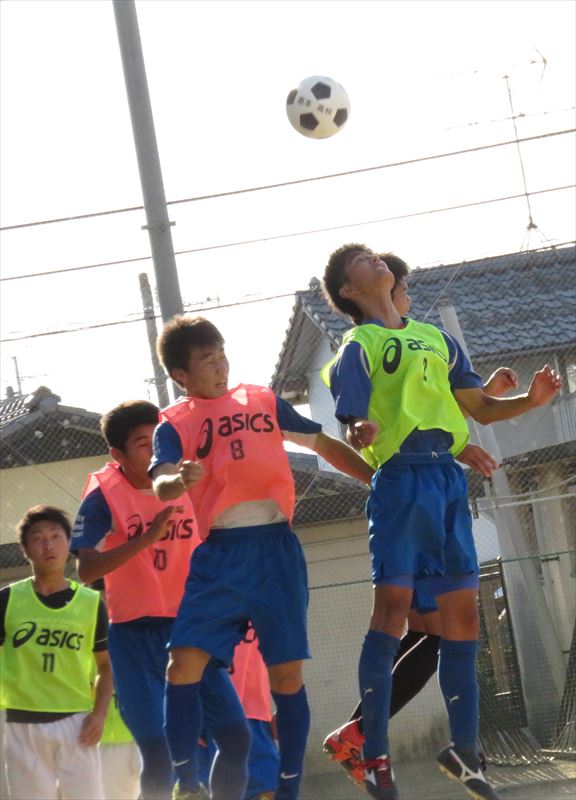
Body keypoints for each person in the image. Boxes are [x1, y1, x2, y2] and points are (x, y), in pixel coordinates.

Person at [321, 244, 562, 800]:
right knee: (392, 615)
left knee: (462, 618)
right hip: (401, 481)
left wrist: (531, 400)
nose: (375, 259)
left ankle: (465, 752)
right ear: (349, 291)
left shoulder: (437, 339)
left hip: (447, 483)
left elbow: (479, 408)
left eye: (376, 255)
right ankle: (374, 754)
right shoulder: (359, 344)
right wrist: (358, 428)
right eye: (361, 260)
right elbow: (351, 413)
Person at [149, 315, 375, 800]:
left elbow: (322, 444)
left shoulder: (262, 400)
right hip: (220, 555)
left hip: (275, 549)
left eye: (222, 355)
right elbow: (161, 479)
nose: (220, 366)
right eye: (207, 361)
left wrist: (376, 480)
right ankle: (185, 781)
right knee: (181, 664)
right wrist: (177, 481)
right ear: (181, 375)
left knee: (286, 675)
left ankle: (289, 788)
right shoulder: (174, 422)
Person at [73, 399, 276, 800]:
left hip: (191, 628)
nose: (155, 453)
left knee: (236, 737)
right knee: (158, 754)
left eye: (158, 441)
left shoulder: (191, 478)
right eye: (143, 444)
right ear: (118, 455)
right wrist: (147, 538)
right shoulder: (104, 494)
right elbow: (86, 571)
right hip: (134, 636)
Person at [0, 505, 112, 800]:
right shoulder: (7, 600)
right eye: (37, 538)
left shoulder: (91, 603)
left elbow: (105, 667)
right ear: (25, 550)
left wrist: (99, 714)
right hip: (21, 721)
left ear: (68, 543)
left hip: (76, 722)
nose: (48, 545)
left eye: (55, 536)